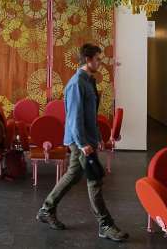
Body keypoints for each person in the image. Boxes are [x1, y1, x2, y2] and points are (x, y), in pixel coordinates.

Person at [36, 43, 129, 242]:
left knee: (73, 175)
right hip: (80, 140)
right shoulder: (77, 83)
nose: (100, 63)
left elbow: (90, 114)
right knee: (95, 180)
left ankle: (46, 209)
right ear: (88, 60)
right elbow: (74, 117)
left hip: (87, 138)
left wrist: (98, 136)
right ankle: (105, 225)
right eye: (97, 59)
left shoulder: (88, 81)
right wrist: (82, 143)